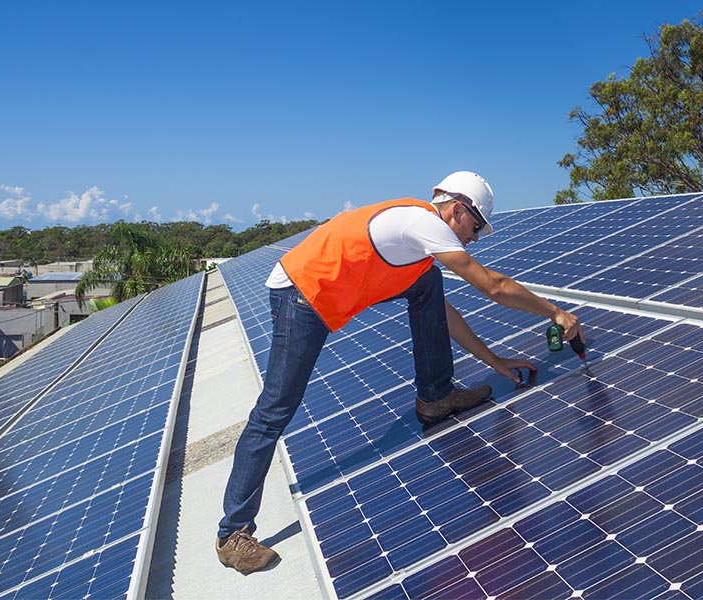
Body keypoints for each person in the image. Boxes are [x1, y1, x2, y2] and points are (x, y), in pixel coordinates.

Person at [216, 171, 584, 574]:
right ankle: (232, 532)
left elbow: (444, 314)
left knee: (428, 284)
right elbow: (492, 286)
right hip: (302, 294)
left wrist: (494, 360)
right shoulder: (422, 223)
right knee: (276, 408)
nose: (475, 237)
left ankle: (435, 396)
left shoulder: (419, 249)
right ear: (458, 209)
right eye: (476, 226)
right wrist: (555, 312)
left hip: (329, 291)